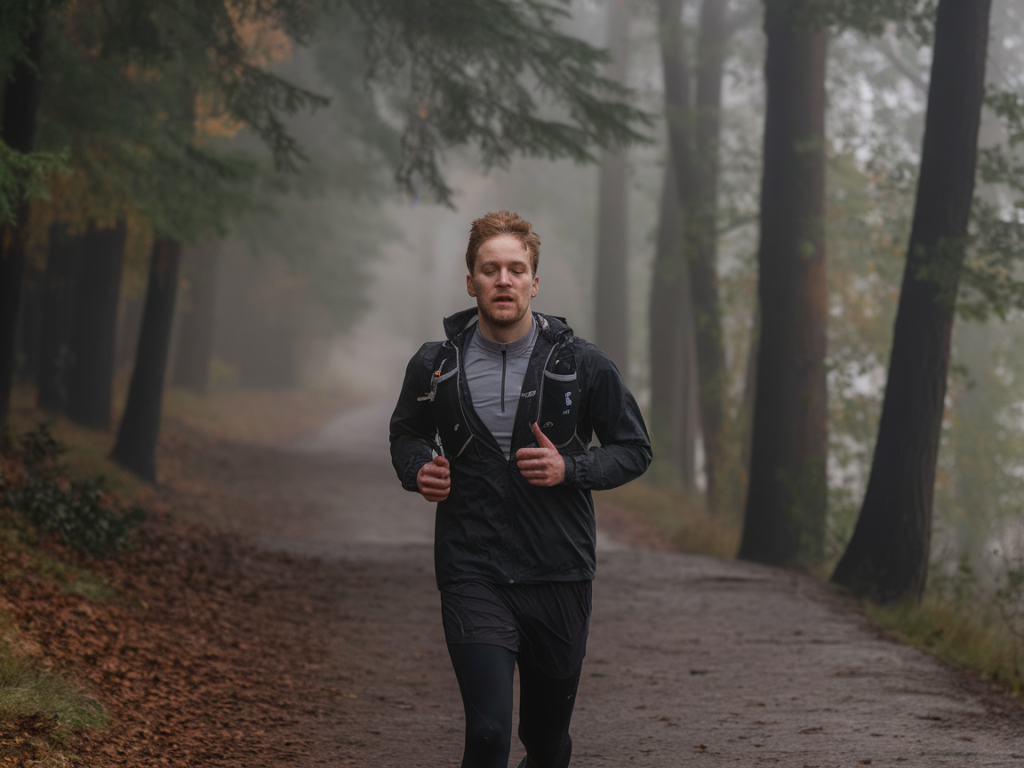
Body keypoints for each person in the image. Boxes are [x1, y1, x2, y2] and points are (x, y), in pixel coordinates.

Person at [389, 210, 651, 768]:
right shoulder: (436, 366)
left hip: (559, 571)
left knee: (545, 740)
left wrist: (571, 470)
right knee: (487, 737)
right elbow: (407, 433)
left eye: (515, 269)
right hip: (472, 570)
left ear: (535, 282)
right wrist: (418, 470)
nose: (502, 280)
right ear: (471, 282)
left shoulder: (583, 364)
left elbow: (635, 449)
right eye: (490, 269)